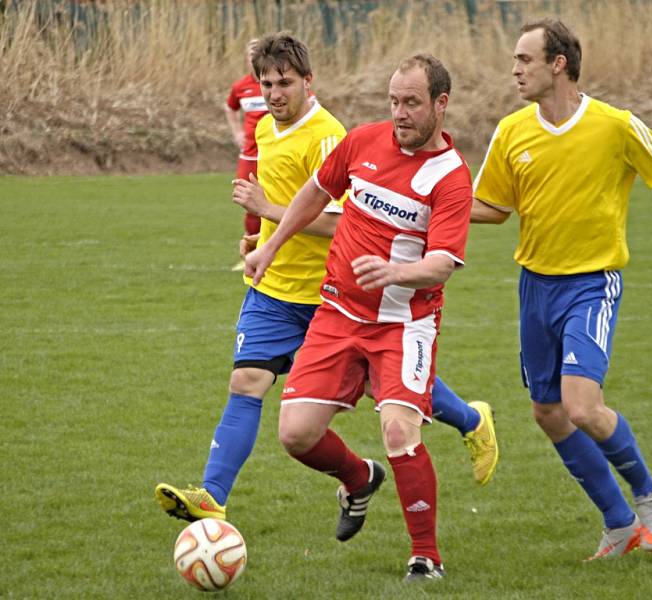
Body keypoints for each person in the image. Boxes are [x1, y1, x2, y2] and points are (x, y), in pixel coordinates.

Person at [155, 36, 495, 545]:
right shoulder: (266, 129)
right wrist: (264, 242)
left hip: (330, 292)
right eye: (265, 84)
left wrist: (271, 213)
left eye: (284, 83)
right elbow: (301, 198)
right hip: (275, 291)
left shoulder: (331, 135)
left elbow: (337, 218)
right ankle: (214, 495)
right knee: (250, 384)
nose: (273, 94)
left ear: (307, 83)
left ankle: (469, 421)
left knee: (390, 396)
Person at [471, 18, 652, 561]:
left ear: (558, 63)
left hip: (591, 283)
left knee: (581, 406)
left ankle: (649, 491)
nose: (514, 69)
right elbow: (490, 206)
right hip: (534, 285)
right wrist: (423, 210)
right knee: (547, 413)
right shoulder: (511, 131)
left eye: (524, 59)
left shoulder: (616, 125)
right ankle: (618, 522)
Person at [243, 53, 472, 581]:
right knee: (296, 434)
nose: (400, 113)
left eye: (412, 102)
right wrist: (271, 246)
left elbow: (443, 263)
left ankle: (425, 555)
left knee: (398, 432)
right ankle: (358, 477)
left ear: (441, 104)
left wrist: (396, 271)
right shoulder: (363, 141)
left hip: (404, 323)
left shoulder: (451, 178)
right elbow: (315, 193)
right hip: (338, 315)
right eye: (394, 101)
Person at [224, 38, 269, 271]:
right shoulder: (240, 86)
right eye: (250, 55)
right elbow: (229, 107)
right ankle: (250, 255)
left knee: (275, 202)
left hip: (274, 155)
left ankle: (273, 251)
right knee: (249, 204)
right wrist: (237, 132)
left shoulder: (275, 83)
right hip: (250, 155)